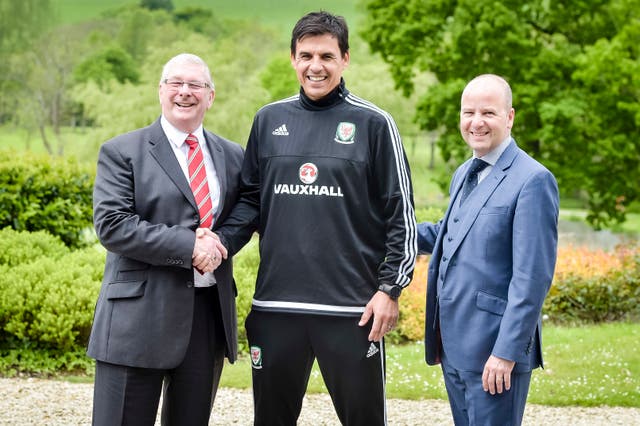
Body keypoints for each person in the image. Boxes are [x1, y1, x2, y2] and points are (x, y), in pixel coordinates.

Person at [215, 11, 417, 426]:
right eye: (306, 55)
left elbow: (401, 216)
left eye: (326, 55)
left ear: (345, 59)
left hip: (352, 311)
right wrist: (218, 243)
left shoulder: (375, 124)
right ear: (293, 58)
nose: (315, 66)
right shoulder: (269, 120)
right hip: (276, 308)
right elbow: (251, 200)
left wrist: (390, 289)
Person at [87, 53, 243, 426]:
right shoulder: (122, 151)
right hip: (136, 319)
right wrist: (190, 245)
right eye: (175, 83)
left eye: (196, 85)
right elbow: (112, 225)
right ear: (161, 91)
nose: (185, 92)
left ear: (211, 96)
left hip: (207, 318)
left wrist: (218, 243)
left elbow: (246, 213)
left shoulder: (233, 155)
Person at [417, 74, 559, 425]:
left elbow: (532, 279)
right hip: (454, 344)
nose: (476, 122)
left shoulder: (533, 180)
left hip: (495, 353)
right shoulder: (465, 171)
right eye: (468, 112)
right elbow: (448, 234)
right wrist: (385, 231)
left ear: (509, 117)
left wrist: (506, 353)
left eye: (488, 113)